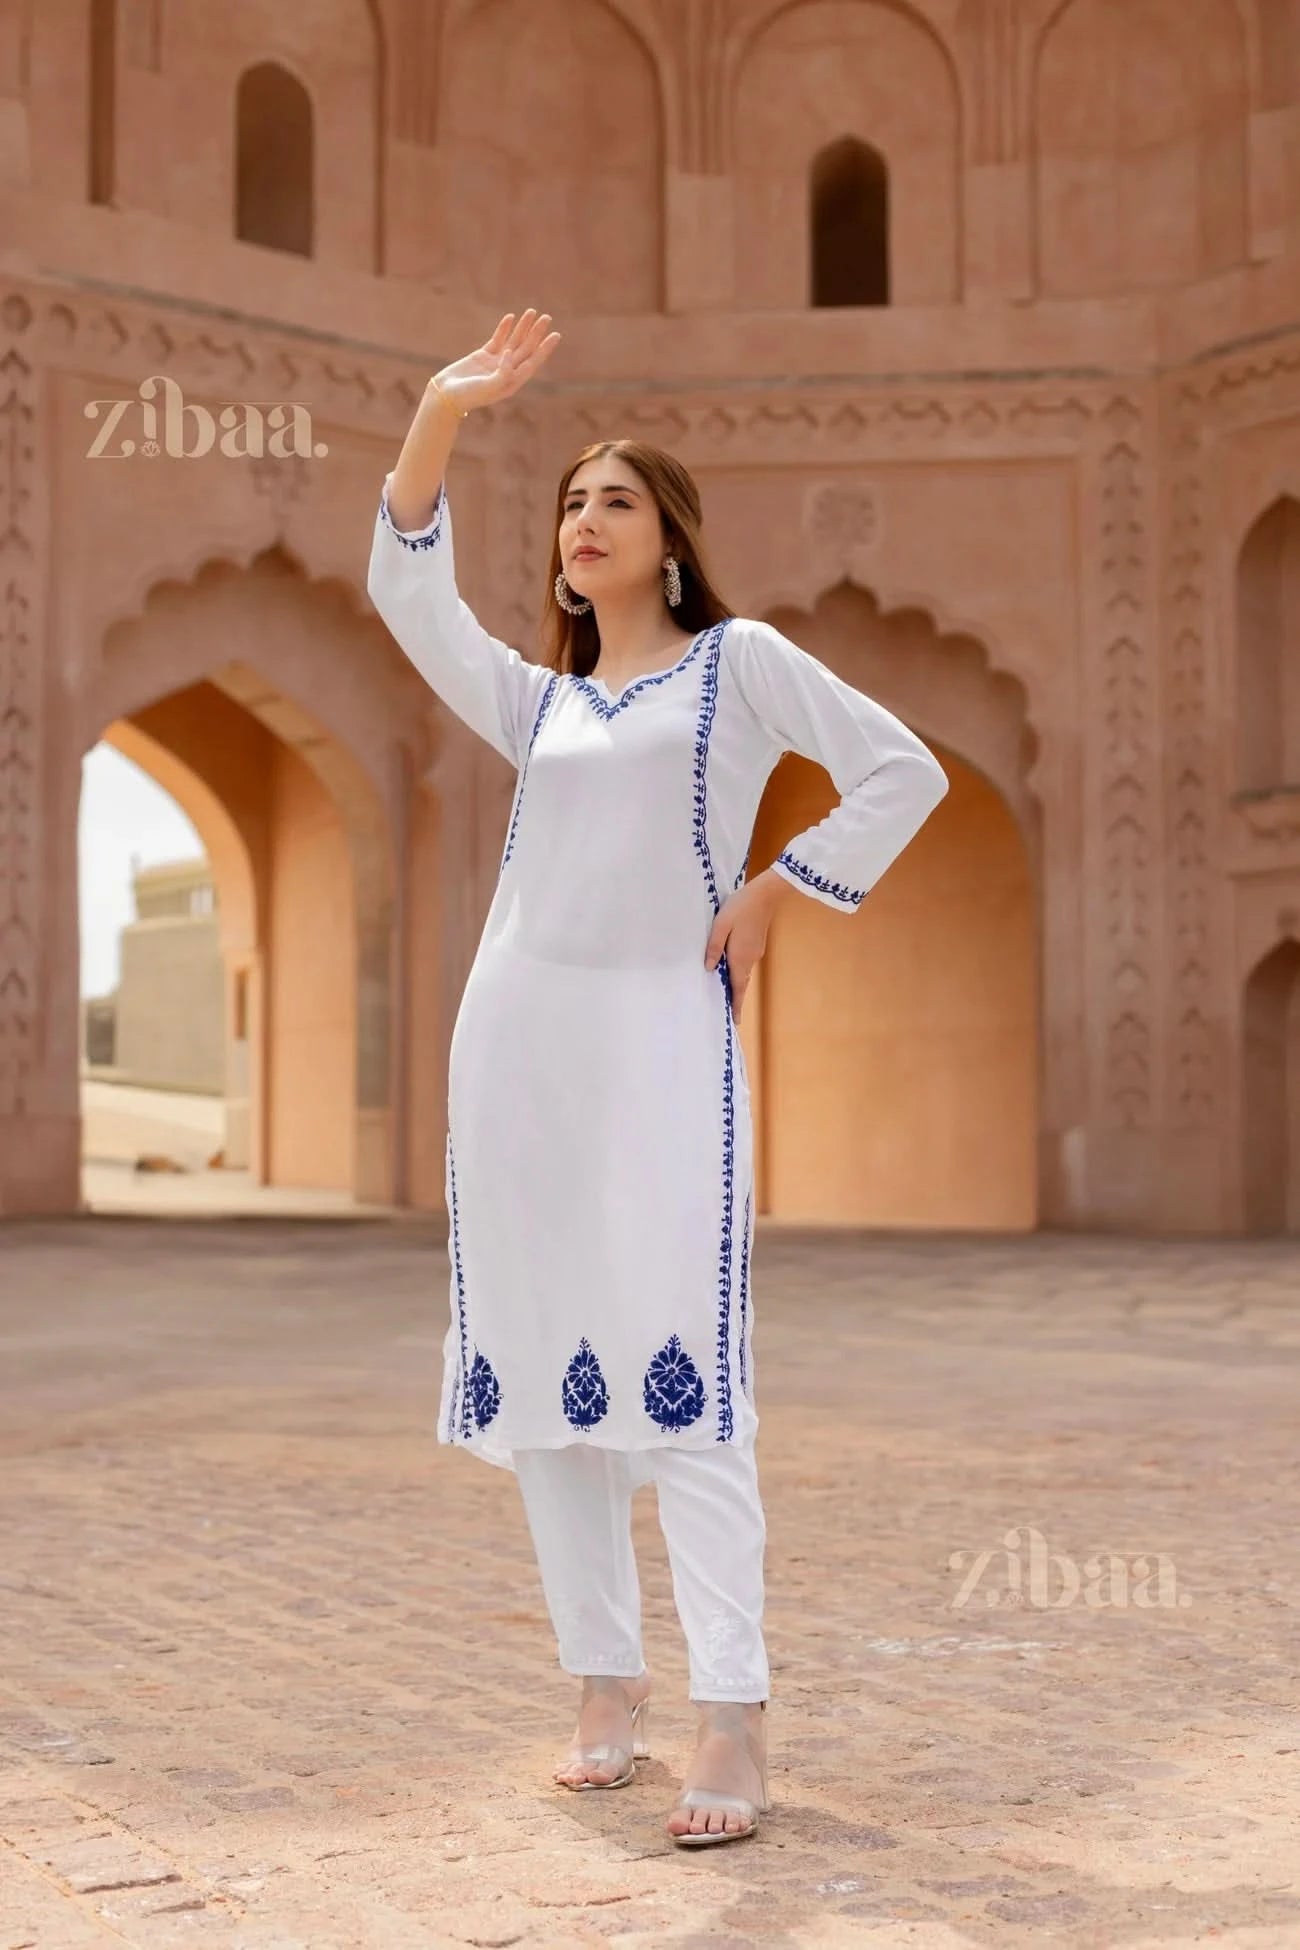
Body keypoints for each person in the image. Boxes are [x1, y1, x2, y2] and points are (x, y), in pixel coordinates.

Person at [367, 308, 949, 1847]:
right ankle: (605, 1688)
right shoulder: (540, 700)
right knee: (548, 1378)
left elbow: (905, 767)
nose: (583, 521)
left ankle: (733, 1712)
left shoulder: (738, 667)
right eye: (568, 502)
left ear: (672, 541)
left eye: (614, 500)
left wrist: (782, 883)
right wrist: (442, 402)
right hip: (518, 1048)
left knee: (690, 1383)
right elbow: (402, 587)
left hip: (660, 1044)